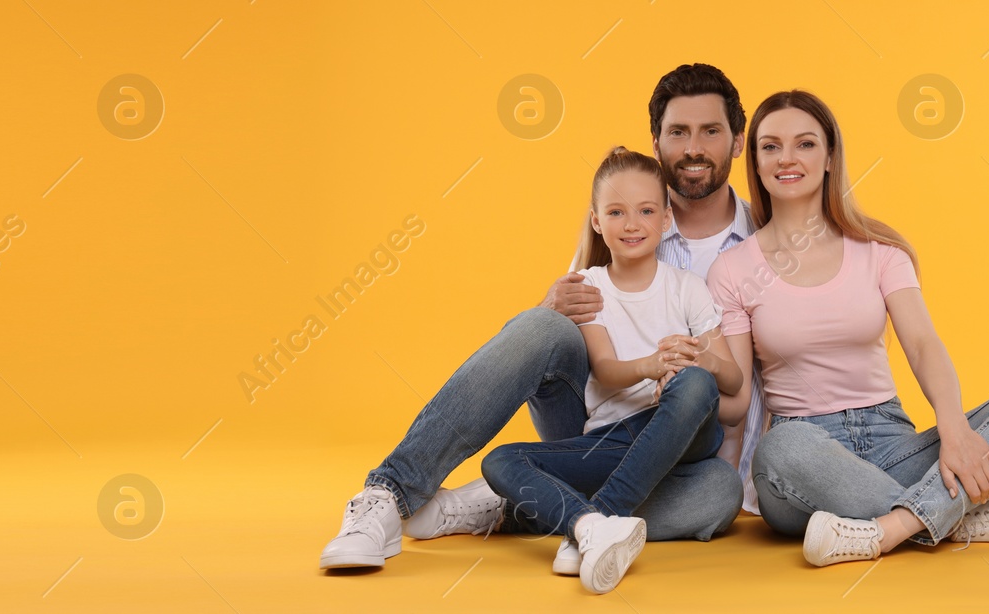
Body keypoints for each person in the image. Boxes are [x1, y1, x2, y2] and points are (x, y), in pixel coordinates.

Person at [319, 63, 758, 571]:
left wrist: (694, 375)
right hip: (591, 427)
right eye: (678, 132)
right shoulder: (614, 230)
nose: (693, 147)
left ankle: (528, 507)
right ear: (656, 143)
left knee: (716, 496)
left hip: (685, 451)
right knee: (540, 325)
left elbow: (735, 397)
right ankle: (389, 495)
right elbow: (561, 349)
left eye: (711, 131)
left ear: (737, 140)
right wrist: (552, 313)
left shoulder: (760, 248)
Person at [706, 90, 989, 568]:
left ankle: (890, 529)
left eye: (806, 144)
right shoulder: (732, 270)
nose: (787, 158)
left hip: (894, 443)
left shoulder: (879, 250)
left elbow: (921, 344)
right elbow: (736, 400)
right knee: (779, 449)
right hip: (805, 460)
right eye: (770, 146)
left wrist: (955, 430)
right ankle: (957, 518)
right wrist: (694, 367)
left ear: (831, 157)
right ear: (754, 160)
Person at [476, 147, 743, 594]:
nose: (632, 224)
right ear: (597, 221)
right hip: (605, 439)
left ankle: (592, 517)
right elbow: (605, 370)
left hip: (680, 430)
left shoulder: (689, 289)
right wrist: (653, 364)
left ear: (666, 220)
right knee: (499, 459)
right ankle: (590, 526)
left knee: (696, 384)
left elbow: (732, 380)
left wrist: (699, 358)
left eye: (645, 211)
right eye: (616, 212)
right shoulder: (591, 286)